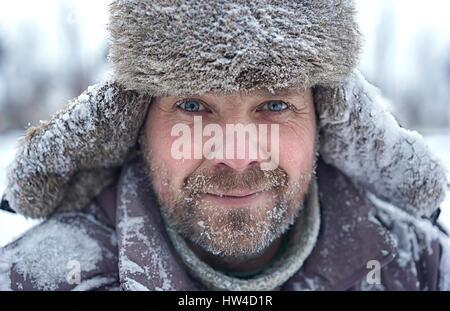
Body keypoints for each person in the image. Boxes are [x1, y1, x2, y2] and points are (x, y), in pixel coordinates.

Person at [0, 0, 449, 291]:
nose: (236, 154)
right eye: (193, 104)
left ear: (324, 119)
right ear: (136, 123)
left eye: (274, 104)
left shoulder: (423, 268)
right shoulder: (34, 278)